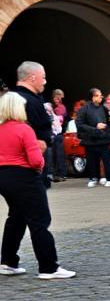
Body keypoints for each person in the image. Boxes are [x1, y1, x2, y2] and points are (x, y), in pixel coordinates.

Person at [0, 91, 74, 278]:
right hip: (24, 176)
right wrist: (40, 168)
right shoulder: (24, 129)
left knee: (16, 217)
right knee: (39, 220)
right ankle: (48, 267)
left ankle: (7, 261)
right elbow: (35, 160)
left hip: (3, 177)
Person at [10, 62, 52, 187]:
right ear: (32, 78)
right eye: (43, 77)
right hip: (29, 167)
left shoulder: (14, 98)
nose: (44, 81)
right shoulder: (25, 100)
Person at [75, 88, 110, 187]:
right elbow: (79, 124)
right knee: (91, 159)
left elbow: (109, 122)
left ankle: (108, 178)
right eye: (97, 95)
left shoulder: (104, 108)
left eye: (101, 95)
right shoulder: (84, 109)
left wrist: (109, 123)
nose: (100, 97)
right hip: (90, 138)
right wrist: (95, 126)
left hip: (103, 137)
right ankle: (93, 177)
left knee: (105, 159)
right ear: (92, 97)